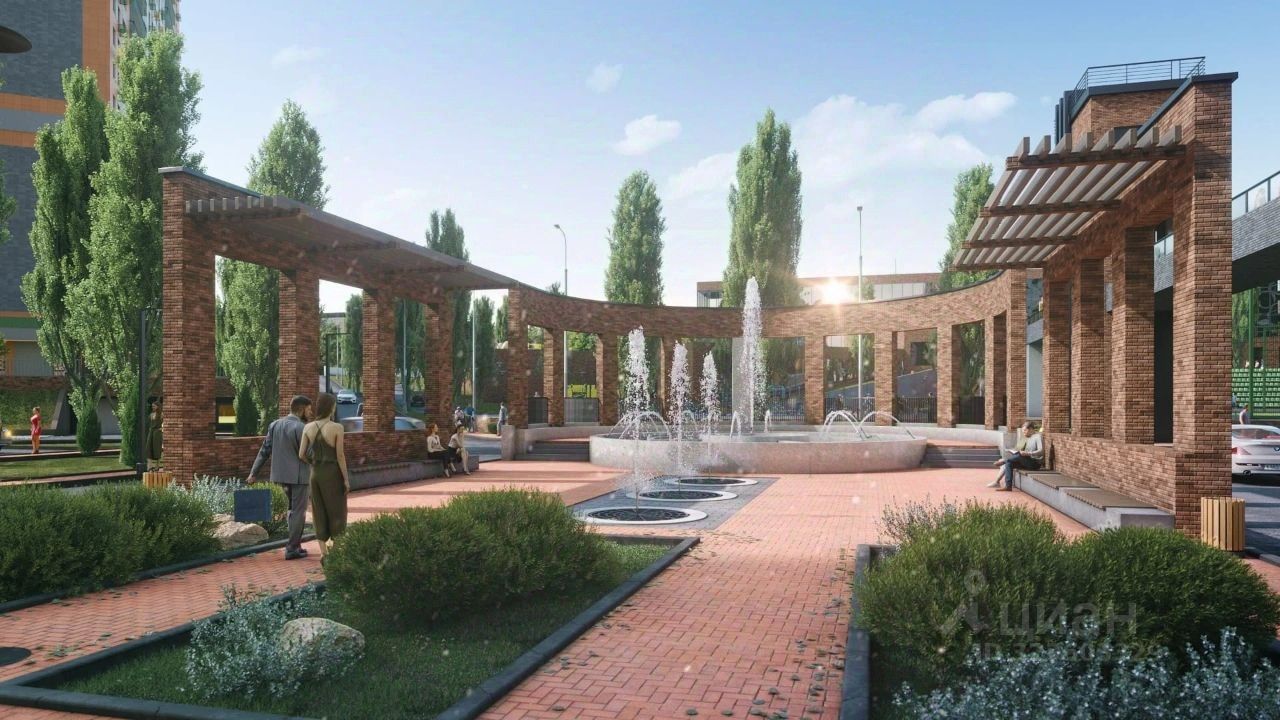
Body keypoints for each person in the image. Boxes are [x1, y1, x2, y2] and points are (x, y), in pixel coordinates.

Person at [248, 395, 313, 560]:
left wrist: (253, 473)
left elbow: (264, 451)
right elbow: (309, 453)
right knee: (298, 512)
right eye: (309, 409)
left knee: (292, 510)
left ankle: (295, 545)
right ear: (301, 409)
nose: (310, 413)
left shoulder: (274, 425)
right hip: (299, 476)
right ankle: (292, 548)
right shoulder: (301, 428)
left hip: (280, 476)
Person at [298, 392, 350, 560]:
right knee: (337, 510)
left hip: (315, 473)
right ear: (331, 408)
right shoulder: (337, 428)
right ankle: (335, 550)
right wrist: (346, 479)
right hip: (332, 473)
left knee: (318, 510)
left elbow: (301, 454)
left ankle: (323, 553)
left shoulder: (308, 427)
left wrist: (313, 462)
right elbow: (340, 455)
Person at [997, 421, 1044, 492]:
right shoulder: (1026, 438)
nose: (1023, 432)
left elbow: (1041, 451)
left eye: (1025, 430)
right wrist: (1019, 450)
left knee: (1017, 456)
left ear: (1031, 429)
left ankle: (1004, 460)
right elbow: (1019, 450)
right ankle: (1008, 486)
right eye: (1023, 431)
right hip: (1026, 461)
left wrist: (1028, 453)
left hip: (1035, 463)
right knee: (1009, 463)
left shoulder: (1038, 436)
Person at [146, 399, 164, 469]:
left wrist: (162, 428)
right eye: (152, 406)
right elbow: (149, 424)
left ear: (158, 406)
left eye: (154, 406)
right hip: (151, 432)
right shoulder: (151, 414)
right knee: (148, 447)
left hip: (157, 433)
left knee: (157, 448)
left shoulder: (161, 414)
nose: (152, 407)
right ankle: (149, 466)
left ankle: (157, 466)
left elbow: (166, 422)